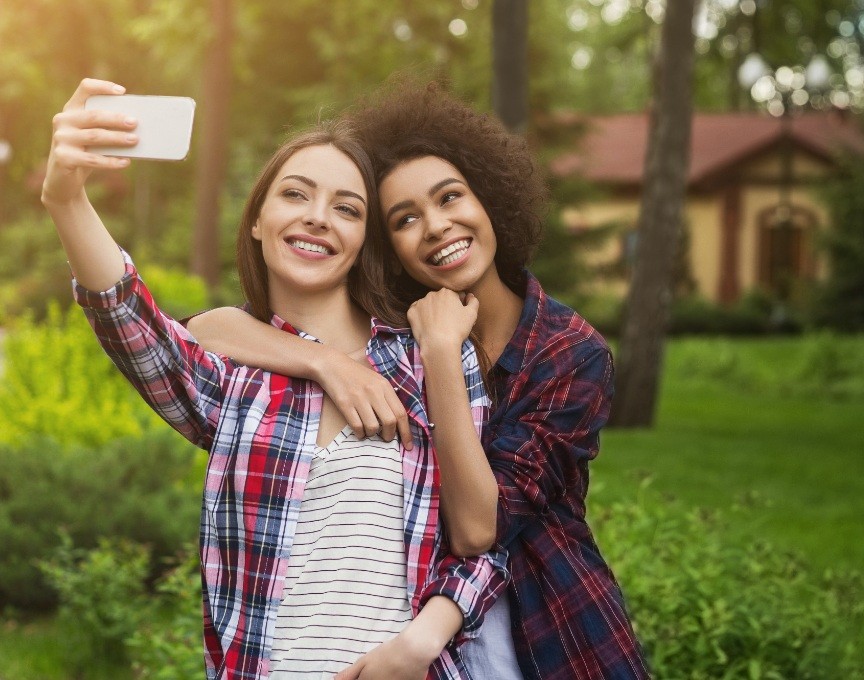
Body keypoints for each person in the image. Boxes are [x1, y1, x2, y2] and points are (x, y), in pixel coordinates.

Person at [41, 78, 509, 680]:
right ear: (258, 219)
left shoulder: (429, 358)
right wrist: (67, 200)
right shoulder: (233, 379)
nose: (319, 218)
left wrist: (418, 644)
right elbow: (127, 315)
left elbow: (483, 542)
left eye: (347, 207)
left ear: (363, 238)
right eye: (296, 195)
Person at [187, 80, 651, 679]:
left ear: (489, 200)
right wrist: (324, 362)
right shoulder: (386, 321)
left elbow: (479, 528)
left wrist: (440, 353)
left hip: (539, 621)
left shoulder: (567, 352)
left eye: (450, 198)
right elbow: (209, 329)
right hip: (402, 615)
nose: (435, 227)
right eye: (405, 218)